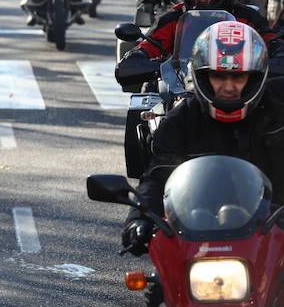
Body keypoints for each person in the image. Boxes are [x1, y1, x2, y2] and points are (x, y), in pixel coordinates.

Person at [121, 21, 284, 256]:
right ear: (202, 75)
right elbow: (158, 177)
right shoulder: (182, 119)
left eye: (238, 77)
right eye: (219, 76)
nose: (228, 87)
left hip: (274, 230)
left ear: (255, 77)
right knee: (159, 286)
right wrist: (139, 220)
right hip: (200, 233)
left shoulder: (278, 107)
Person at [118, 0, 278, 70]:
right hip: (184, 86)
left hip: (238, 86)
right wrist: (137, 55)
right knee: (148, 110)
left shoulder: (247, 16)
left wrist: (278, 53)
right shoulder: (174, 17)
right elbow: (152, 45)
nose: (202, 0)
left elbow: (270, 42)